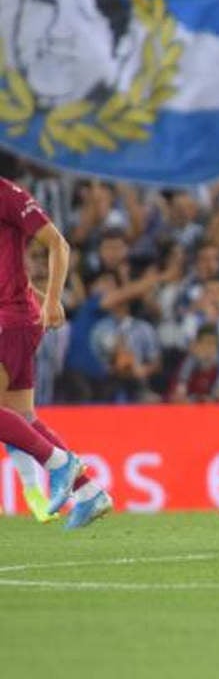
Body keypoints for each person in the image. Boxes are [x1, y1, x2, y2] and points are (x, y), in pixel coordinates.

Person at [0, 178, 108, 529]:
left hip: (11, 318)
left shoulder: (7, 194)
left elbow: (58, 243)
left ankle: (58, 464)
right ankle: (89, 492)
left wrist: (51, 298)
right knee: (22, 418)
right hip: (15, 314)